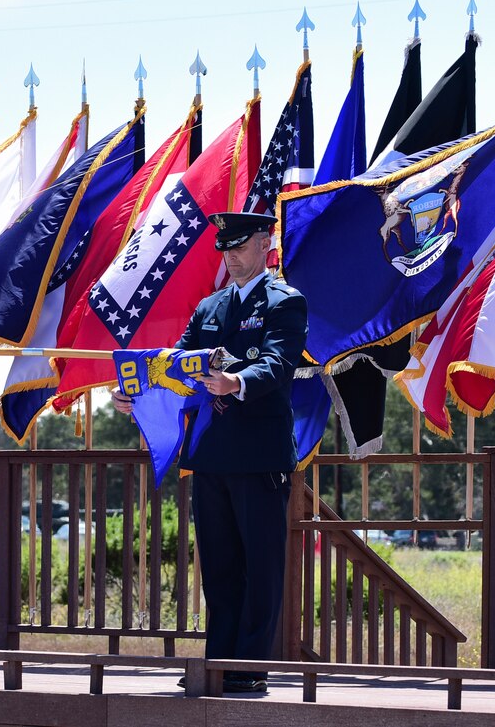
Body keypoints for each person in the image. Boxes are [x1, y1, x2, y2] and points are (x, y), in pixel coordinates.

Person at [113, 211, 307, 694]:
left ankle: (249, 669)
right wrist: (136, 393)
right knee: (219, 566)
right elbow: (173, 364)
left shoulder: (285, 301)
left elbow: (279, 363)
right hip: (212, 454)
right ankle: (218, 664)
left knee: (260, 567)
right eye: (225, 248)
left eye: (240, 246)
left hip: (260, 456)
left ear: (265, 243)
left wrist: (236, 380)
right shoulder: (209, 308)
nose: (232, 256)